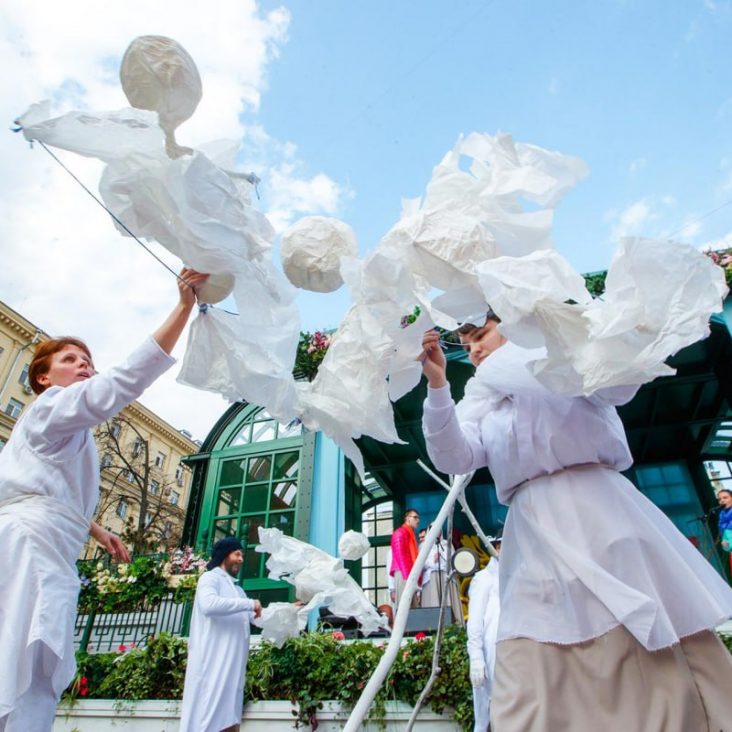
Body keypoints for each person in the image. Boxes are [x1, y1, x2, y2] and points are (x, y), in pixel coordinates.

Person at [420, 315, 732, 731]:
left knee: (638, 644)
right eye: (465, 343)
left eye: (480, 336)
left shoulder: (562, 362)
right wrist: (438, 384)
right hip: (532, 532)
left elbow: (620, 383)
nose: (473, 349)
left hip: (598, 513)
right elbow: (454, 456)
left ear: (514, 326)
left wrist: (565, 340)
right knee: (529, 650)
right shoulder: (482, 401)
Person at [0, 268, 207, 732]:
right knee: (28, 663)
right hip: (33, 549)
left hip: (41, 541)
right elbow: (122, 383)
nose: (84, 365)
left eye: (87, 359)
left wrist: (95, 528)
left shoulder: (58, 430)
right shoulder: (52, 408)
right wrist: (183, 308)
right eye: (70, 359)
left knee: (26, 658)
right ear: (43, 377)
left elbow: (36, 487)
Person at [179, 537, 262, 732]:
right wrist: (250, 603)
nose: (241, 559)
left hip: (233, 669)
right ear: (225, 556)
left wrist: (291, 611)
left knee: (229, 721)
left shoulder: (238, 590)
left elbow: (258, 618)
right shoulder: (210, 578)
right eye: (237, 554)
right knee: (207, 719)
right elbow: (209, 605)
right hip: (212, 664)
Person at [466, 539, 501, 732]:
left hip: (514, 650)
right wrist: (476, 657)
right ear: (496, 548)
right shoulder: (484, 578)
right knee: (486, 712)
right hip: (490, 649)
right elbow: (475, 623)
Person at [420, 523, 463, 624]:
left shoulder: (447, 544)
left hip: (445, 576)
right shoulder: (423, 546)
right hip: (431, 578)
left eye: (438, 529)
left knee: (448, 601)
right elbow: (421, 564)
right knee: (433, 602)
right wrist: (433, 560)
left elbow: (453, 561)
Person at [389, 508, 421, 609]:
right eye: (415, 517)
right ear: (407, 518)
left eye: (418, 518)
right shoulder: (400, 533)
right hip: (403, 573)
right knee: (405, 606)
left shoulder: (410, 534)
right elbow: (400, 556)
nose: (418, 520)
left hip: (409, 574)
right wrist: (408, 578)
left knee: (412, 606)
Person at [718, 488, 732, 577]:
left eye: (725, 497)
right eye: (720, 499)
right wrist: (724, 543)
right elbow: (724, 535)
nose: (722, 500)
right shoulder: (722, 514)